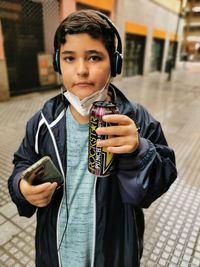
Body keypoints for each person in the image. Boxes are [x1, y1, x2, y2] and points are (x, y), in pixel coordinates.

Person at [8, 9, 177, 267]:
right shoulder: (42, 122)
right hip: (56, 256)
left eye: (94, 57)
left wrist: (139, 151)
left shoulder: (138, 120)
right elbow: (21, 164)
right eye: (69, 58)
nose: (81, 70)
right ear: (57, 63)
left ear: (115, 64)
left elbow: (159, 180)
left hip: (115, 255)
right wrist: (22, 187)